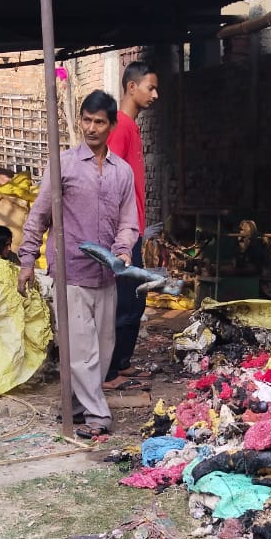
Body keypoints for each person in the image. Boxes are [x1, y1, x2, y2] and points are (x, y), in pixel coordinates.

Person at [17, 90, 138, 439]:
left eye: (99, 122)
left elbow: (129, 221)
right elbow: (39, 214)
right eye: (86, 120)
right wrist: (27, 258)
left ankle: (74, 405)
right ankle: (98, 416)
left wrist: (124, 249)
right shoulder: (63, 165)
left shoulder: (122, 173)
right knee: (82, 349)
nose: (91, 127)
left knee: (101, 347)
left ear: (111, 125)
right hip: (70, 271)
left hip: (107, 274)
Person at [103, 61, 159, 391]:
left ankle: (120, 364)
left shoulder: (132, 127)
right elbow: (110, 183)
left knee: (134, 299)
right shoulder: (121, 127)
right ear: (130, 87)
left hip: (134, 228)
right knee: (128, 301)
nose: (155, 94)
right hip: (124, 232)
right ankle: (110, 371)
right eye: (150, 87)